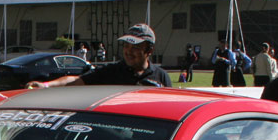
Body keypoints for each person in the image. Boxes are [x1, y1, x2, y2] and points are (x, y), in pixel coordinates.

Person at [26, 24, 172, 88]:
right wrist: (45, 85)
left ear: (149, 50)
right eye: (126, 46)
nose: (129, 51)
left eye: (135, 47)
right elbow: (76, 80)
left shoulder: (161, 77)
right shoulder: (111, 72)